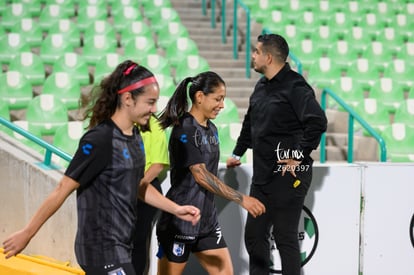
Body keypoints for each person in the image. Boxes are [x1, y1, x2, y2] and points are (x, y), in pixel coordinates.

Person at [2, 60, 200, 275]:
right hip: (99, 247)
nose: (154, 110)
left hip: (121, 246)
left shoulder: (134, 137)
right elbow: (62, 189)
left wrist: (176, 209)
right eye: (149, 102)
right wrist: (28, 233)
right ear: (127, 99)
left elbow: (139, 187)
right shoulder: (100, 139)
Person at [226, 34, 327, 275]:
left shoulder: (295, 86)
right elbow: (250, 123)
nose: (253, 56)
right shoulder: (260, 86)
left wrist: (298, 155)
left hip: (288, 173)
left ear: (268, 57)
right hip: (263, 175)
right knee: (254, 235)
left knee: (285, 237)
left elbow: (318, 121)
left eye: (256, 52)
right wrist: (237, 152)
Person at [156, 71, 266, 275]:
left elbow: (207, 165)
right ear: (199, 97)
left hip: (207, 220)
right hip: (181, 219)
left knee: (226, 272)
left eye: (223, 99)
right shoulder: (184, 129)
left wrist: (230, 161)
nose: (222, 105)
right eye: (218, 98)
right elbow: (200, 174)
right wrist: (242, 199)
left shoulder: (212, 129)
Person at [132, 114, 169, 275]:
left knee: (138, 241)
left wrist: (135, 188)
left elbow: (157, 165)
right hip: (123, 187)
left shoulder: (154, 124)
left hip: (145, 186)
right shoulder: (120, 120)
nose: (153, 108)